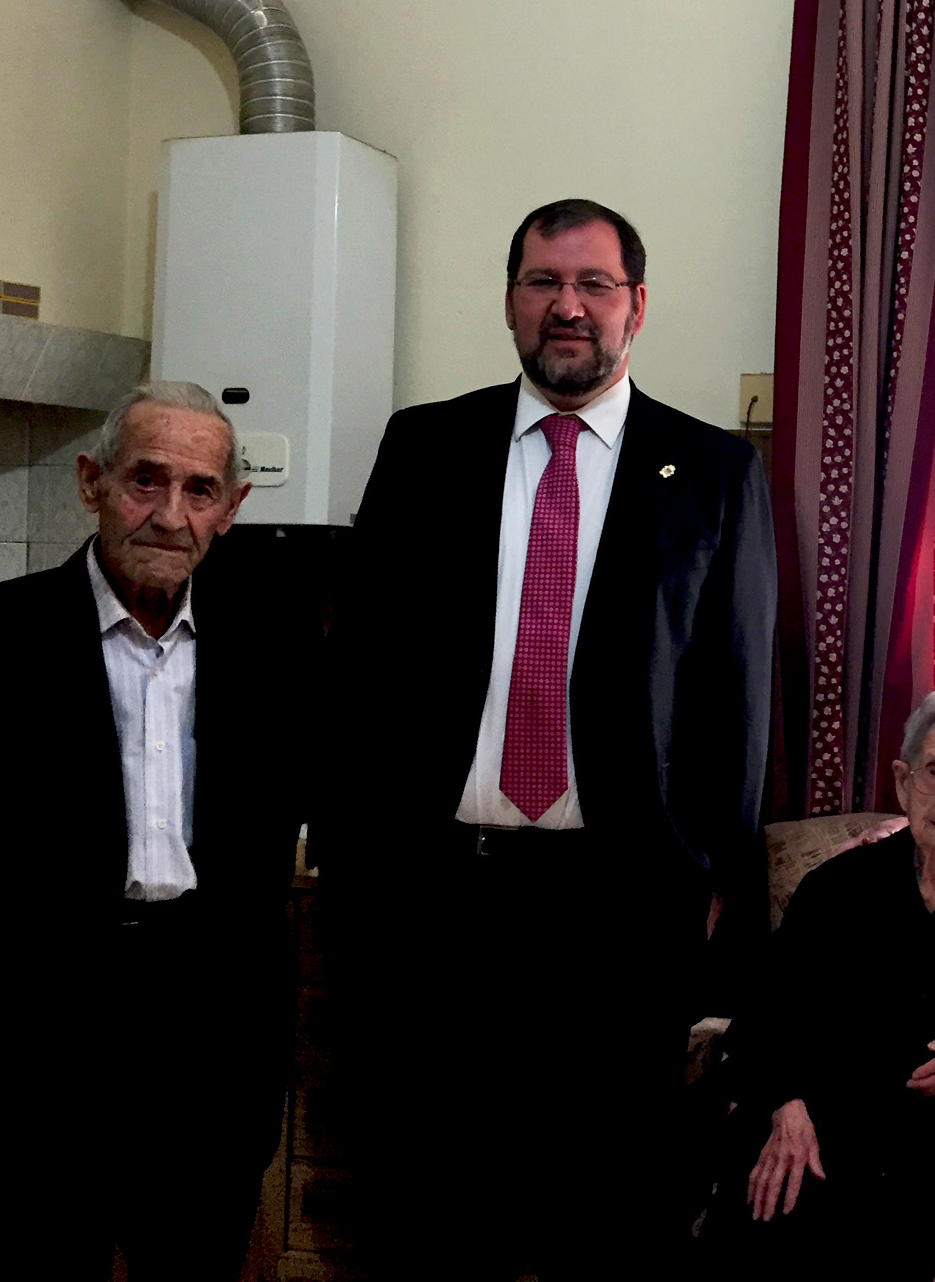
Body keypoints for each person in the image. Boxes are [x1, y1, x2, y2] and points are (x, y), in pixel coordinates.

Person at [324, 198, 778, 1277]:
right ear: (511, 301)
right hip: (441, 899)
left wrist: (716, 879)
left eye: (593, 285)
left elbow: (739, 696)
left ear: (636, 306)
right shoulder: (424, 446)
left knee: (606, 1215)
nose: (567, 306)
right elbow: (360, 673)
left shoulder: (712, 471)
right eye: (543, 282)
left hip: (621, 909)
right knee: (436, 1211)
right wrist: (356, 858)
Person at [0, 381, 309, 1279]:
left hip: (210, 1048)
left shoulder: (278, 653)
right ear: (91, 482)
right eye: (146, 480)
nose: (170, 515)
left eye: (200, 490)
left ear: (231, 509)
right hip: (34, 1048)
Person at [709, 688, 935, 1282]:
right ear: (903, 781)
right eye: (934, 772)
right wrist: (786, 1105)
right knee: (774, 1226)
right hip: (827, 1124)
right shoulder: (835, 888)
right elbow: (762, 1019)